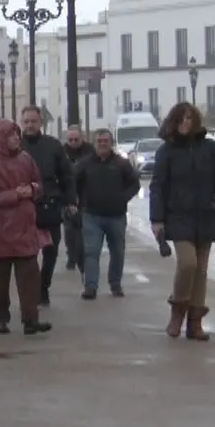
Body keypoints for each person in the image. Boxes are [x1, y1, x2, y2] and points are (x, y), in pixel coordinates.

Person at [148, 101, 215, 341]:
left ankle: (195, 323)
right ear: (173, 122)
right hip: (179, 216)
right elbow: (158, 187)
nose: (185, 122)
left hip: (206, 215)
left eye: (189, 118)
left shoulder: (210, 149)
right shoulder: (166, 151)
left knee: (202, 270)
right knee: (188, 264)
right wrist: (157, 219)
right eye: (181, 118)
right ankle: (178, 312)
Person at [0, 118, 53, 335]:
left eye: (17, 134)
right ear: (0, 138)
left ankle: (30, 320)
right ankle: (2, 318)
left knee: (29, 278)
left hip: (25, 228)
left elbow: (38, 185)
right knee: (0, 281)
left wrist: (33, 190)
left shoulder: (26, 159)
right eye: (11, 135)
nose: (16, 138)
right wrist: (15, 195)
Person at [16, 106, 76, 307]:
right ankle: (31, 292)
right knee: (27, 255)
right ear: (21, 123)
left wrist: (70, 201)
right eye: (26, 121)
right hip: (22, 209)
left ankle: (43, 287)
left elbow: (67, 175)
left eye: (33, 121)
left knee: (51, 253)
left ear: (40, 123)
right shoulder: (14, 146)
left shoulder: (53, 146)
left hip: (49, 207)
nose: (30, 125)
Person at [74, 126, 140, 300]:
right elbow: (72, 182)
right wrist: (78, 202)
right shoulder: (84, 163)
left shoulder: (122, 164)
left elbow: (135, 184)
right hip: (91, 215)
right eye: (99, 141)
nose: (102, 144)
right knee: (91, 251)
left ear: (111, 143)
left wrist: (123, 198)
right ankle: (90, 287)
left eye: (106, 141)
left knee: (117, 251)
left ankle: (115, 284)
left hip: (116, 215)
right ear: (94, 143)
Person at [61, 125, 88, 271]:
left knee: (83, 230)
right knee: (70, 230)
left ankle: (81, 257)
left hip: (86, 195)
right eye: (70, 139)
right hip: (68, 195)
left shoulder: (89, 151)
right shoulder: (62, 152)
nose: (73, 142)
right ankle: (72, 255)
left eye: (76, 139)